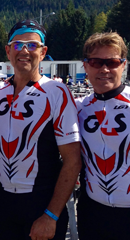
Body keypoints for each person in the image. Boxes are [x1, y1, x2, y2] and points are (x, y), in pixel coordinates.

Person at [0, 19, 81, 240]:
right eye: (18, 45)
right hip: (2, 202)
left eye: (32, 45)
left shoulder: (57, 92)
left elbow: (73, 160)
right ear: (8, 51)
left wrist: (51, 215)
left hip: (41, 201)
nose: (24, 50)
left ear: (43, 52)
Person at [76, 32, 129, 239]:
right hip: (92, 211)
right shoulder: (77, 108)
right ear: (85, 66)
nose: (105, 69)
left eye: (113, 62)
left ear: (123, 65)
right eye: (97, 62)